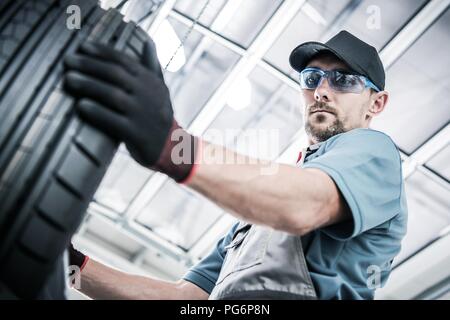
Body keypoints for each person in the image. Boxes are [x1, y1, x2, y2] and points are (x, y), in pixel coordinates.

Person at [63, 30, 407, 300]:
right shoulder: (259, 213)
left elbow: (306, 204)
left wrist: (172, 147)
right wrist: (73, 267)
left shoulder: (374, 151)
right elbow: (185, 296)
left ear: (376, 103)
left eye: (343, 80)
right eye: (312, 78)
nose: (321, 91)